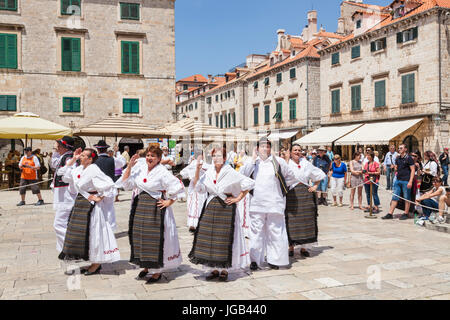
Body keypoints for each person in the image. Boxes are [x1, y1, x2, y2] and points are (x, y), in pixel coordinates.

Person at [119, 146, 185, 284]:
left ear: (159, 159)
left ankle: (157, 270)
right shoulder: (141, 169)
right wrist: (130, 166)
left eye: (153, 156)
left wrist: (169, 202)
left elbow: (178, 186)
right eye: (148, 155)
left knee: (155, 238)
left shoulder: (162, 172)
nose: (149, 158)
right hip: (140, 207)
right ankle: (147, 266)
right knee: (141, 236)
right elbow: (126, 183)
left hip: (156, 209)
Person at [189, 147, 255, 281]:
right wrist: (197, 170)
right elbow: (199, 188)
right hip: (211, 206)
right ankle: (213, 268)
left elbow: (248, 183)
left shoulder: (230, 171)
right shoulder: (209, 172)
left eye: (219, 156)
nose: (216, 159)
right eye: (214, 156)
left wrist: (237, 198)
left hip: (226, 207)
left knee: (224, 238)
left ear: (224, 158)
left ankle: (225, 269)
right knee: (210, 238)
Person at [240, 138, 299, 271]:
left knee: (275, 232)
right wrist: (252, 160)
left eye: (267, 146)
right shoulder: (252, 162)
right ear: (257, 148)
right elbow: (242, 175)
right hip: (256, 204)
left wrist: (281, 191)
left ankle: (275, 260)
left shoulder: (279, 162)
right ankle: (255, 260)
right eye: (262, 147)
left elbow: (291, 177)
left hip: (275, 204)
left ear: (270, 148)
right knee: (256, 233)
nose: (264, 149)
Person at [59, 148, 120, 275]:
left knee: (94, 232)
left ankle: (96, 263)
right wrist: (73, 159)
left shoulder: (94, 169)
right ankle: (91, 260)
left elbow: (109, 185)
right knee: (81, 232)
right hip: (80, 203)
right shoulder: (78, 170)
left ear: (90, 159)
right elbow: (62, 174)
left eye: (83, 155)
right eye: (80, 155)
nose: (80, 157)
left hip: (92, 205)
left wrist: (99, 197)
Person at [283, 144, 325, 258]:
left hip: (305, 195)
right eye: (295, 150)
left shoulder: (305, 163)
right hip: (291, 195)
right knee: (291, 221)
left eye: (299, 150)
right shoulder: (286, 162)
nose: (297, 152)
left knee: (306, 221)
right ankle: (290, 247)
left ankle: (303, 247)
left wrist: (315, 186)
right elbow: (282, 174)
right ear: (291, 152)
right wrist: (286, 159)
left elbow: (318, 174)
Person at [50, 136, 76, 253]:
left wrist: (64, 175)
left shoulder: (68, 158)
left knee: (59, 224)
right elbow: (54, 164)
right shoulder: (65, 157)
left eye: (59, 146)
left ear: (64, 147)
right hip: (64, 195)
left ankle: (68, 249)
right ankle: (66, 249)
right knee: (64, 224)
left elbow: (71, 174)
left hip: (66, 196)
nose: (57, 148)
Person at [382, 144, 415, 220]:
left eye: (401, 148)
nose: (399, 149)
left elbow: (412, 170)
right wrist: (394, 167)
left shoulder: (409, 158)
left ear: (405, 149)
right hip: (398, 180)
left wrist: (410, 181)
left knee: (407, 197)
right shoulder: (398, 158)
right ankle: (390, 213)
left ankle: (406, 213)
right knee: (395, 197)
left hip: (406, 180)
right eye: (399, 148)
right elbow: (397, 168)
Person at [179, 152, 210, 233]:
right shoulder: (203, 164)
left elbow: (183, 173)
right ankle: (195, 223)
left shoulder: (195, 164)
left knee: (194, 204)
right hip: (197, 185)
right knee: (196, 204)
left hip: (197, 185)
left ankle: (193, 223)